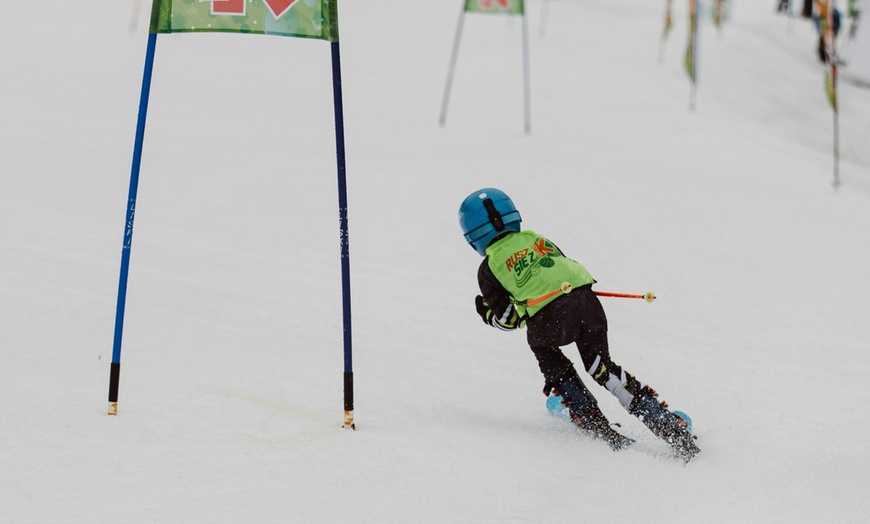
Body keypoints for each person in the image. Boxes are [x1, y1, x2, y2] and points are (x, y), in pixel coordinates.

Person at [459, 188, 700, 461]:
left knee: (544, 349)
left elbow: (508, 320)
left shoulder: (489, 267)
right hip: (587, 302)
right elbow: (558, 264)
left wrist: (488, 315)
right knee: (601, 367)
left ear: (472, 239)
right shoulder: (534, 237)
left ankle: (588, 416)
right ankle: (667, 425)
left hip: (550, 320)